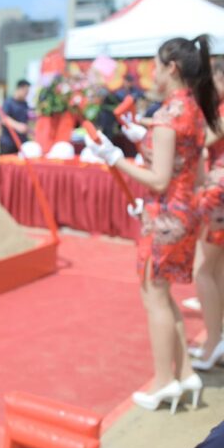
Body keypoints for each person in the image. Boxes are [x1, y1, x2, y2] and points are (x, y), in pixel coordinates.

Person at [86, 36, 219, 413]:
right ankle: (186, 373)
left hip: (164, 217)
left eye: (157, 66)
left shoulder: (167, 116)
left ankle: (164, 382)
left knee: (154, 297)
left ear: (171, 68)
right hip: (185, 213)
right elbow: (191, 172)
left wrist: (115, 157)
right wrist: (143, 139)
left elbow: (160, 180)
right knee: (164, 295)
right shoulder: (194, 110)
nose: (154, 73)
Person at [189, 60, 224, 370]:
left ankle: (213, 342)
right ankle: (217, 338)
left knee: (203, 269)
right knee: (217, 268)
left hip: (218, 193)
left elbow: (200, 141)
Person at [0, 79, 31, 192]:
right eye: (25, 92)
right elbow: (3, 118)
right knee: (0, 164)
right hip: (8, 141)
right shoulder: (9, 103)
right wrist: (18, 126)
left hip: (21, 142)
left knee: (18, 167)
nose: (26, 94)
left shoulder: (25, 104)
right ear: (20, 89)